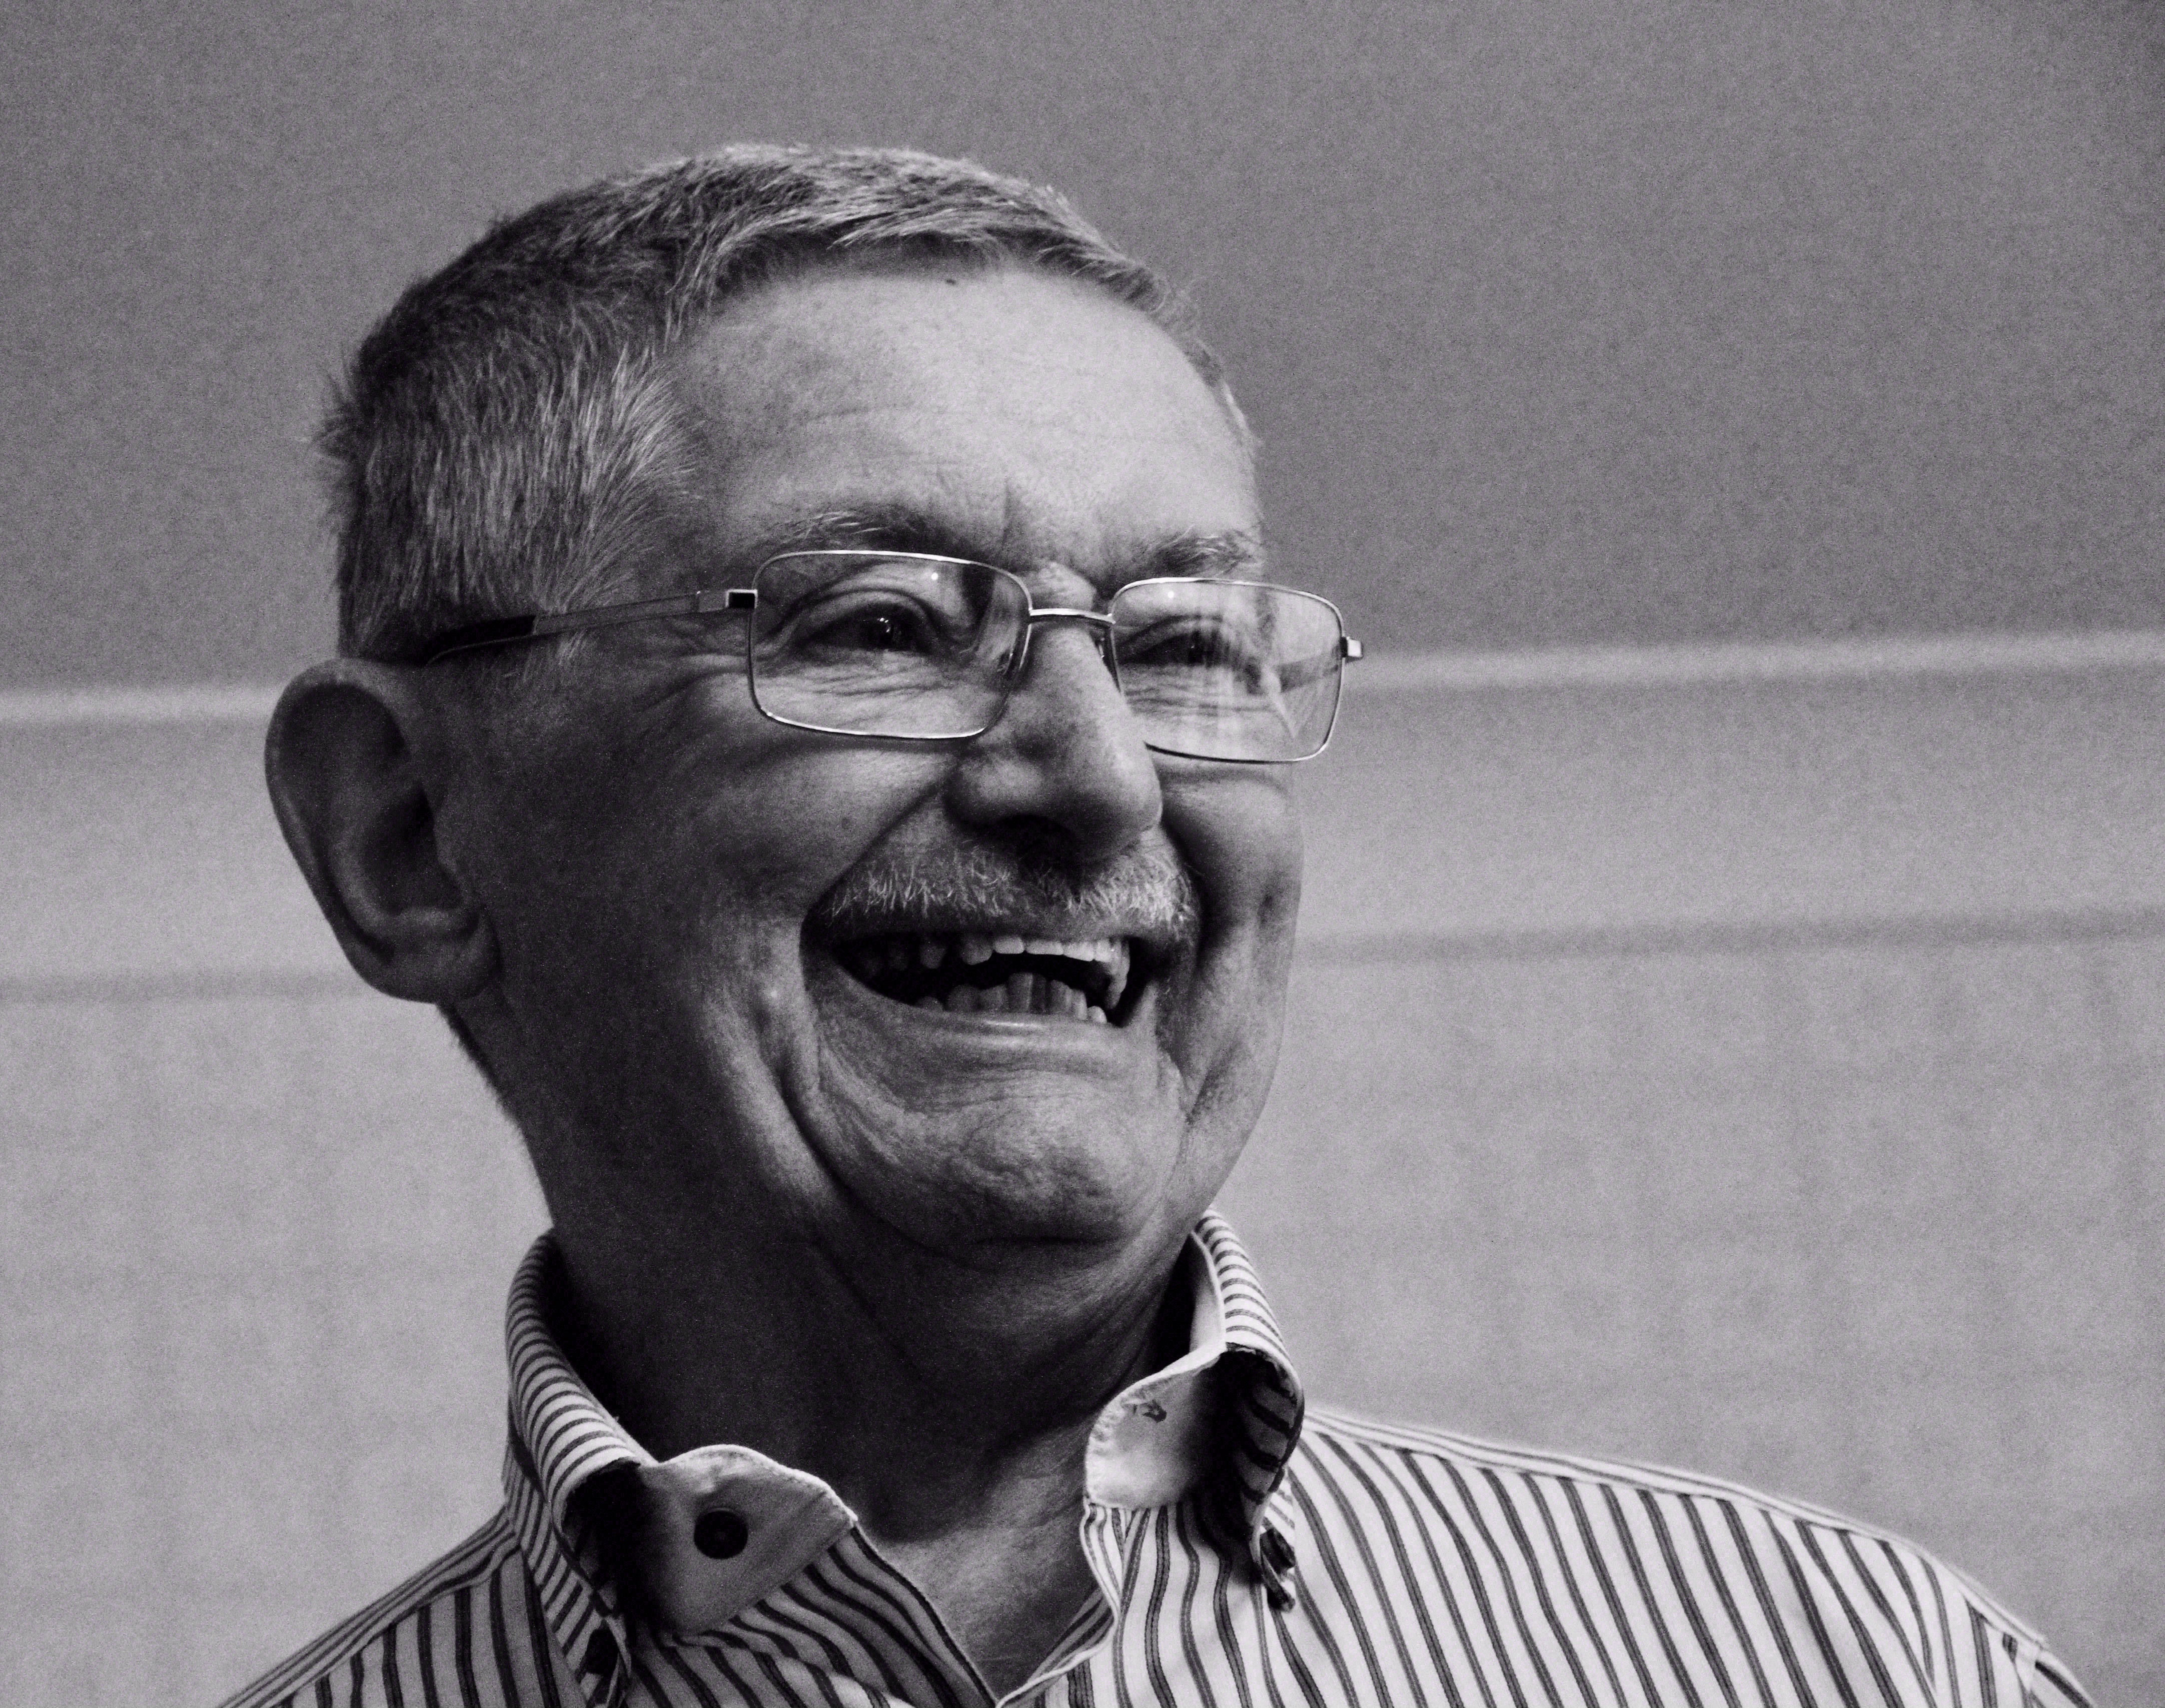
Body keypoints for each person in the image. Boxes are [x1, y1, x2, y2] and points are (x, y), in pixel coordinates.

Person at [232, 146, 2087, 1708]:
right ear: (411, 842)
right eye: (878, 624)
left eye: (1188, 646)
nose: (1104, 778)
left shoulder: (1860, 1664)